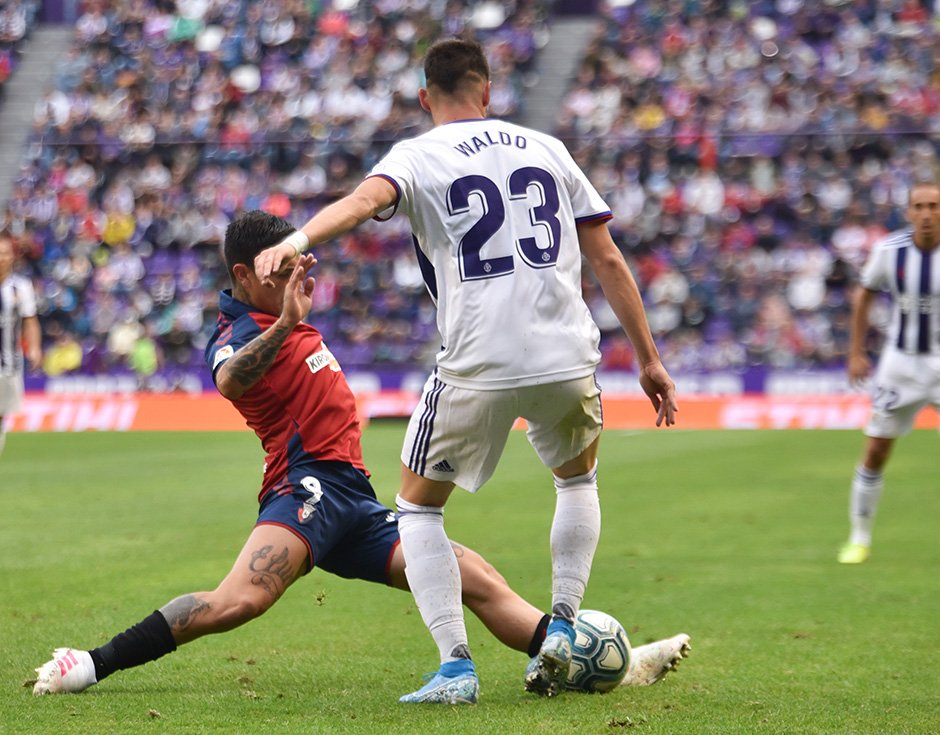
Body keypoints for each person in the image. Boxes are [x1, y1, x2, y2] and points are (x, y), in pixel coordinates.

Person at [32, 211, 690, 698]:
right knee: (240, 601)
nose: (298, 276)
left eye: (299, 264)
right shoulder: (236, 331)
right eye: (282, 269)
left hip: (354, 498)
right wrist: (289, 321)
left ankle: (596, 662)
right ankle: (89, 663)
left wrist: (291, 310)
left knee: (476, 576)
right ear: (242, 275)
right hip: (306, 491)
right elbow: (230, 381)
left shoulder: (283, 312)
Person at [253, 38, 678, 704]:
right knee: (577, 479)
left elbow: (363, 204)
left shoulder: (416, 155)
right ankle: (562, 626)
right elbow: (610, 259)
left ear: (425, 97)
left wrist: (297, 240)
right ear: (487, 90)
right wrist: (649, 358)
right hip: (567, 354)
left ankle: (456, 665)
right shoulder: (546, 148)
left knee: (417, 511)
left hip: (479, 357)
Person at [838, 181, 940, 564]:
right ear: (909, 212)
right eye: (920, 206)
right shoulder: (889, 251)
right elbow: (864, 294)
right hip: (901, 366)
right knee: (877, 448)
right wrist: (855, 352)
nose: (927, 213)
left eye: (934, 205)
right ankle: (859, 537)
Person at [0, 231, 41, 457]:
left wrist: (34, 348)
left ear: (13, 256)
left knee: (1, 414)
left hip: (9, 364)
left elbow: (30, 320)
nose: (1, 258)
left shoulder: (21, 287)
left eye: (5, 253)